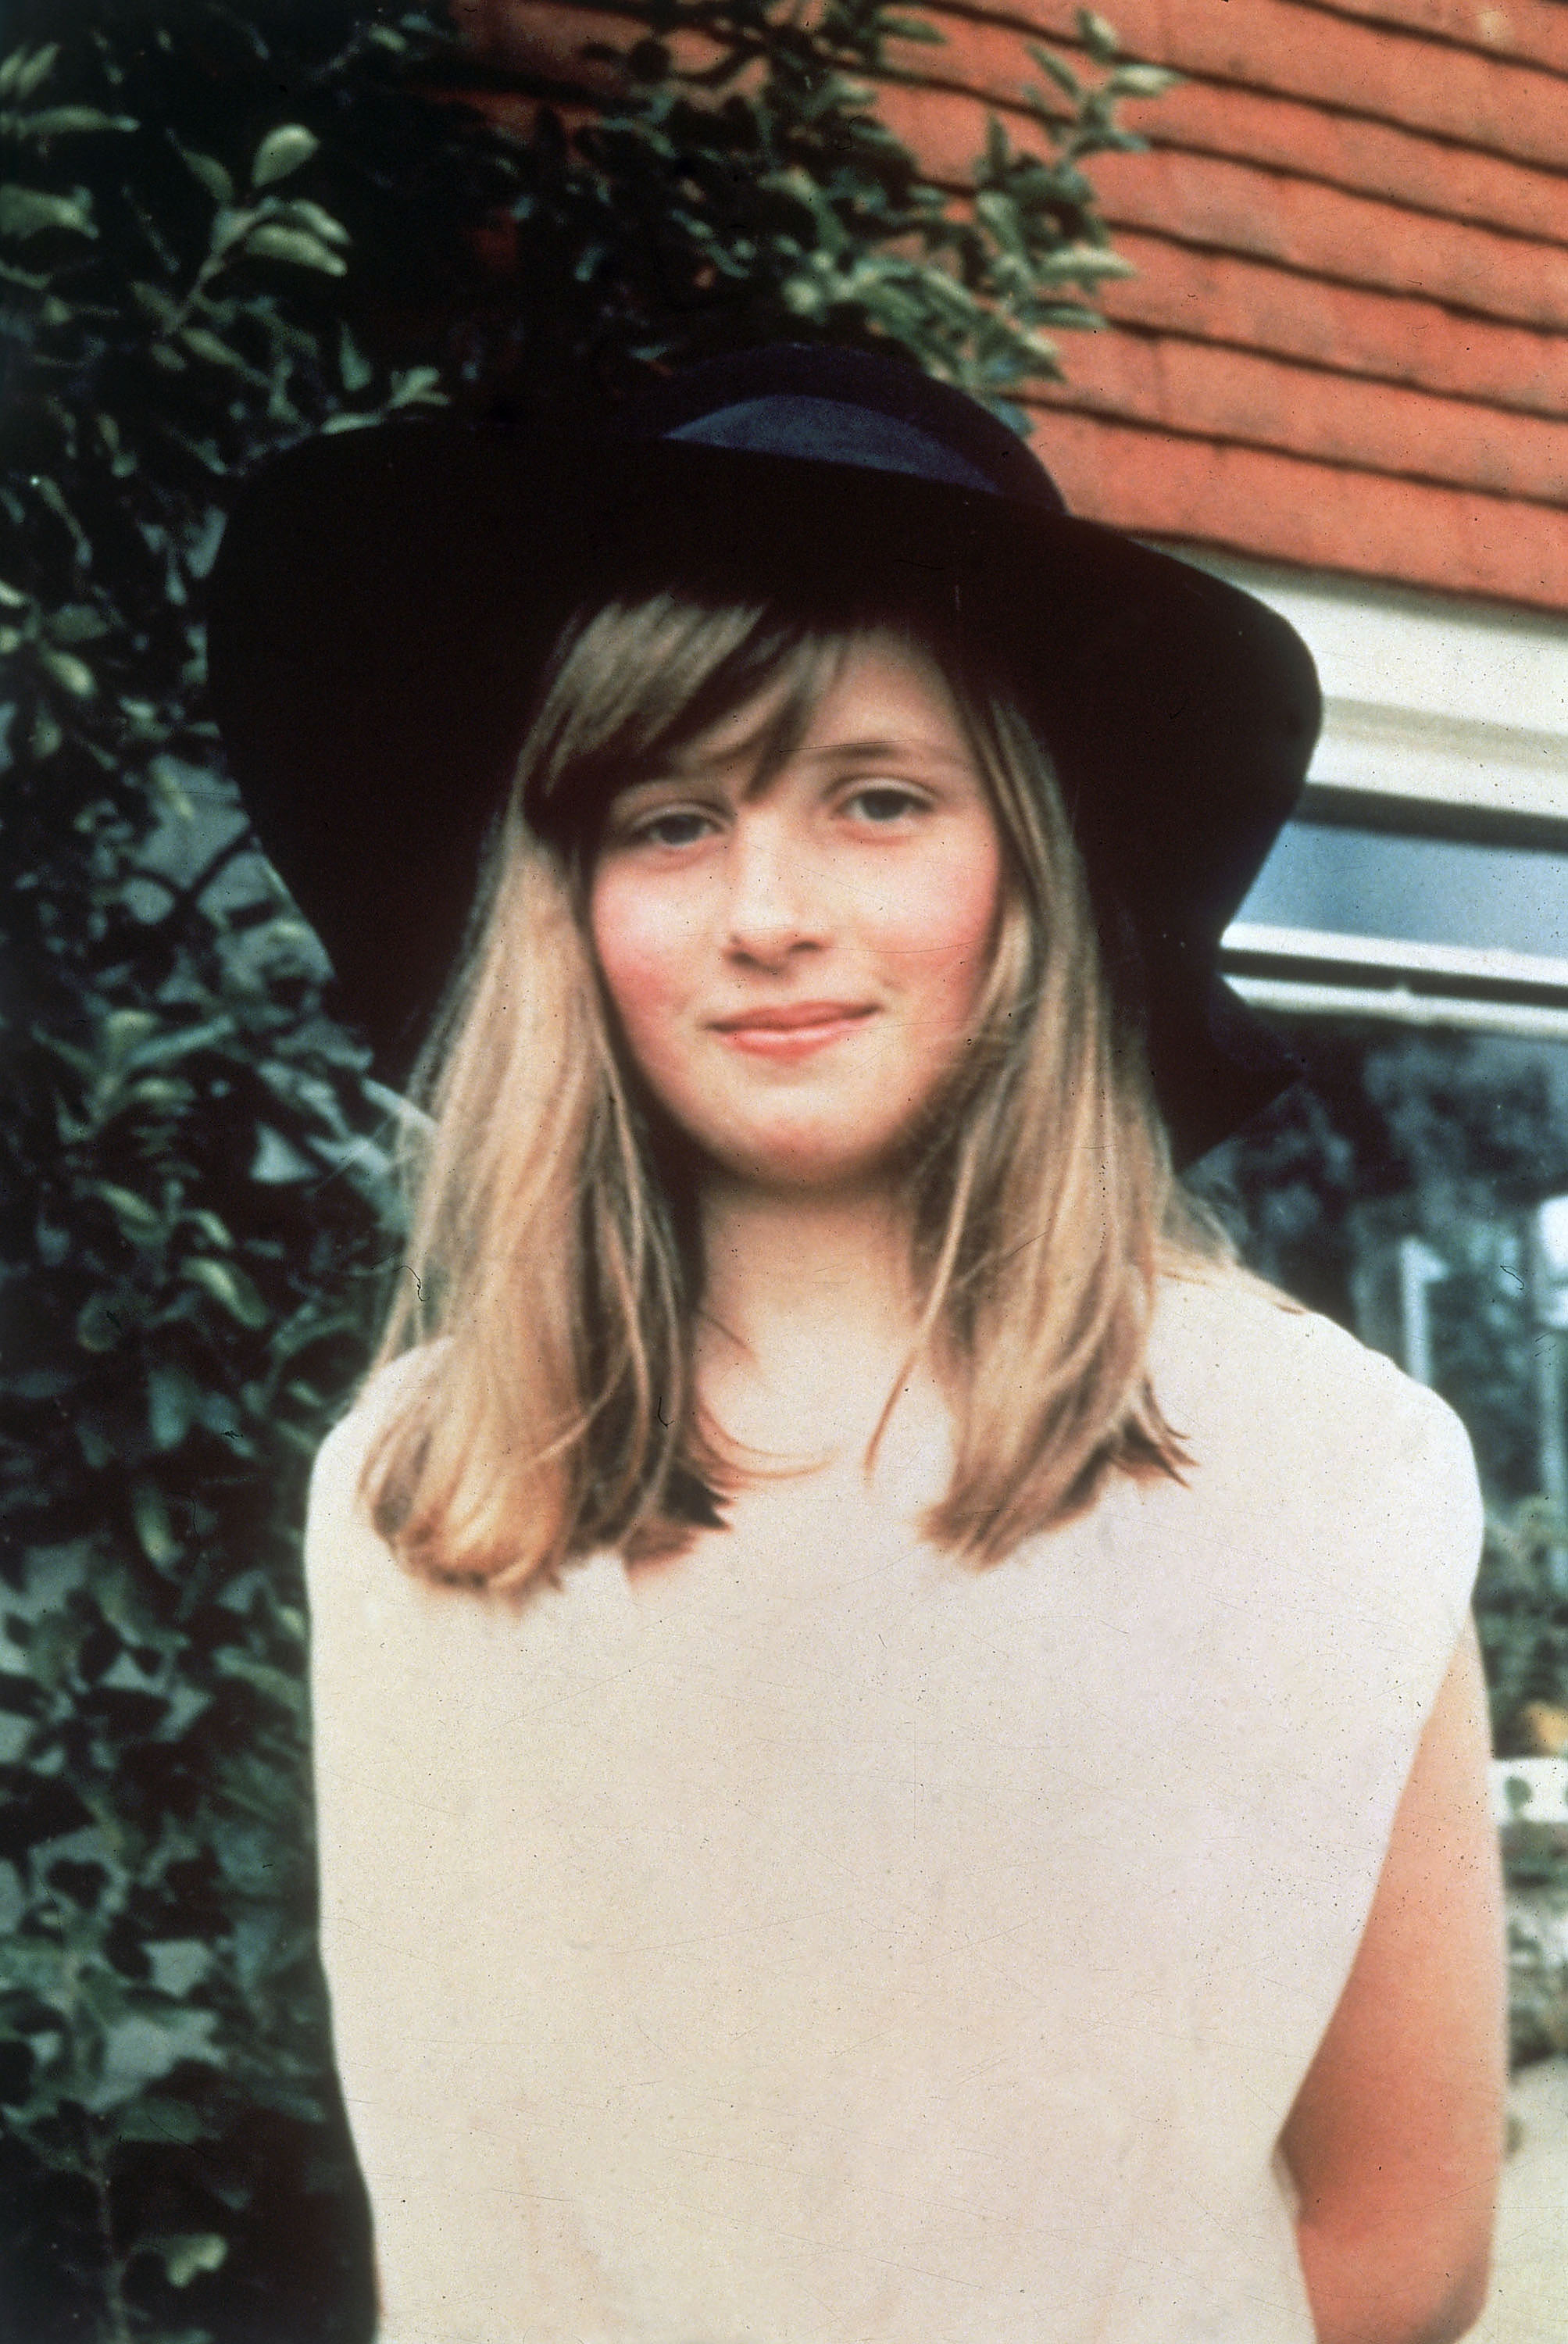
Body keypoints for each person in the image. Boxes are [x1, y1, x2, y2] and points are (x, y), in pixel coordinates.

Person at [209, 345, 1506, 2344]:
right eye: (665, 820)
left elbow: (1397, 2243)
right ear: (566, 900)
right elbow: (467, 2248)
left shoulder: (1326, 1465)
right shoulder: (428, 1483)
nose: (767, 910)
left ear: (1027, 872)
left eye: (876, 800)